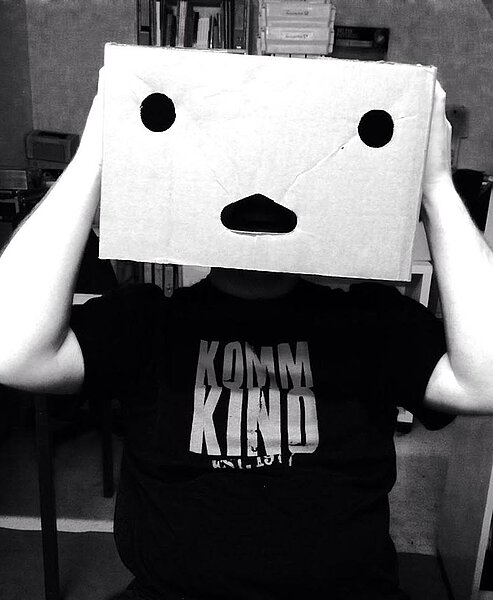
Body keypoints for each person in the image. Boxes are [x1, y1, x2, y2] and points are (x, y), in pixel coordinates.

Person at [1, 74, 493, 600]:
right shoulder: (147, 321)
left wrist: (435, 186)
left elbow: (483, 385)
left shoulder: (370, 321)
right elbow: (14, 354)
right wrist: (95, 160)